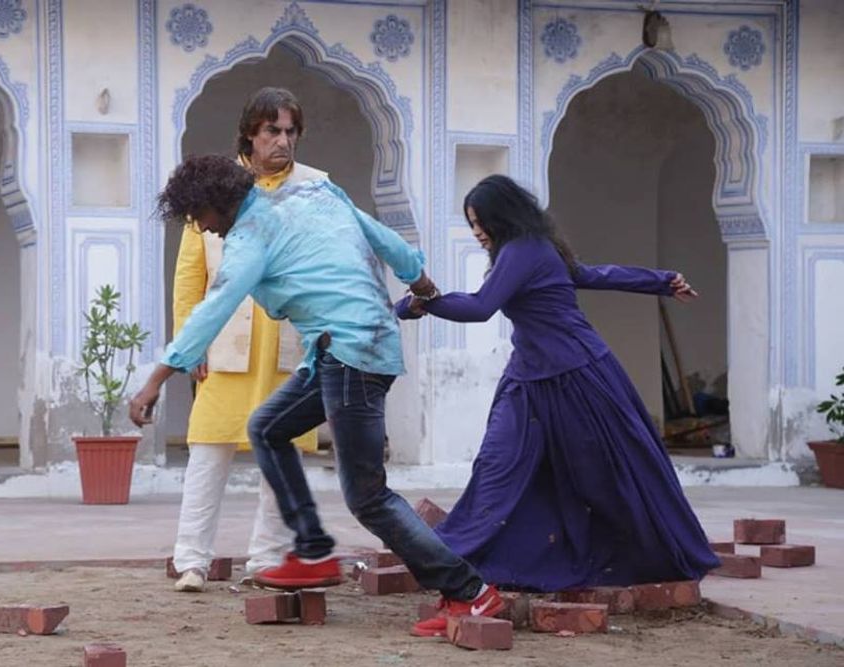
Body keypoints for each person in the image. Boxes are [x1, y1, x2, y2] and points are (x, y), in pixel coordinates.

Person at [130, 155, 505, 638]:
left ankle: (470, 592)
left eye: (199, 216)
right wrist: (419, 278)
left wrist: (155, 380)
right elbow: (384, 239)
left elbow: (213, 309)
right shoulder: (315, 195)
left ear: (217, 203)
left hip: (351, 357)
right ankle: (310, 550)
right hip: (346, 350)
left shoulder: (249, 238)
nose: (203, 229)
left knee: (367, 496)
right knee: (268, 426)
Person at [397, 174, 720, 591]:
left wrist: (422, 303)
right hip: (527, 381)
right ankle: (458, 553)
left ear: (504, 216)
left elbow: (480, 307)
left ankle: (638, 552)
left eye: (480, 222)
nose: (476, 232)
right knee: (497, 464)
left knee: (602, 473)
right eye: (471, 223)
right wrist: (660, 280)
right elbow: (595, 274)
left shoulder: (525, 249)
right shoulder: (522, 251)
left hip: (576, 376)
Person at [167, 88, 326, 593]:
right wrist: (189, 344)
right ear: (249, 135)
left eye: (290, 132)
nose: (283, 141)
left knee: (280, 454)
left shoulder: (315, 187)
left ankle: (266, 559)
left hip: (290, 342)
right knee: (208, 450)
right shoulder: (216, 186)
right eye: (272, 131)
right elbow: (190, 276)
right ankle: (191, 560)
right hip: (225, 342)